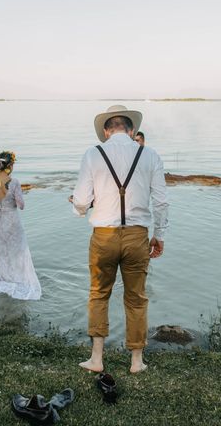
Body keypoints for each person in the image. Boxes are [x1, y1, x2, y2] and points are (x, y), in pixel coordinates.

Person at [70, 105, 168, 373]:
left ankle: (97, 359)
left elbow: (80, 202)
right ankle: (136, 361)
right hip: (138, 237)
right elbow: (160, 202)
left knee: (99, 294)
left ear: (106, 130)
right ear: (131, 129)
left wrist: (79, 208)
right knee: (137, 298)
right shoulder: (149, 155)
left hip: (104, 236)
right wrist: (159, 236)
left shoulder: (93, 154)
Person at [0, 151, 41, 300]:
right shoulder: (14, 182)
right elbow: (21, 205)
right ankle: (18, 279)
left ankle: (4, 278)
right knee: (17, 253)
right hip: (12, 222)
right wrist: (15, 199)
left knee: (1, 253)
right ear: (10, 166)